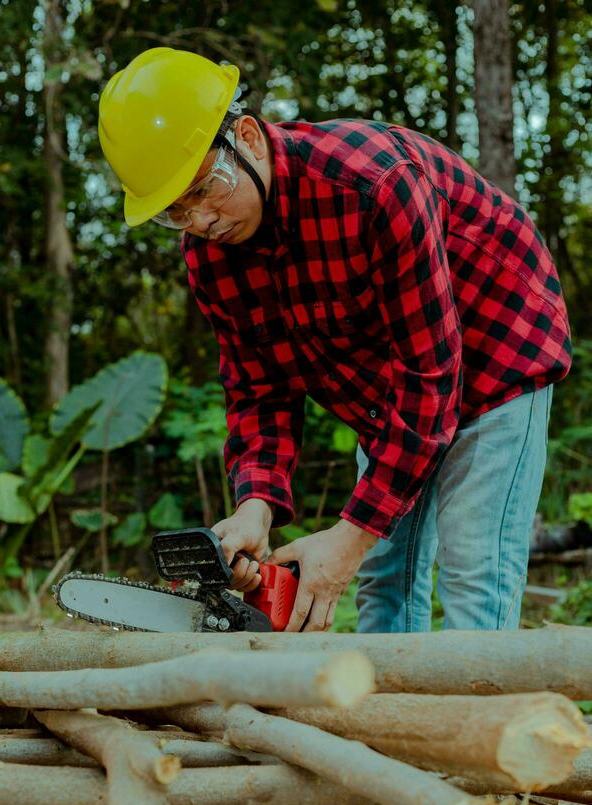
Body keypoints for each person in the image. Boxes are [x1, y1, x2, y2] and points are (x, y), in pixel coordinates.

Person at [98, 47, 572, 634]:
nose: (200, 222)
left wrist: (348, 539)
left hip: (497, 348)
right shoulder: (211, 257)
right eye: (176, 212)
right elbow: (258, 390)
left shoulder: (372, 184)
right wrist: (256, 505)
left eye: (204, 190)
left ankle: (486, 723)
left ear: (246, 137)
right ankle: (392, 724)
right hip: (390, 389)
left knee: (471, 570)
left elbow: (429, 379)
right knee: (382, 577)